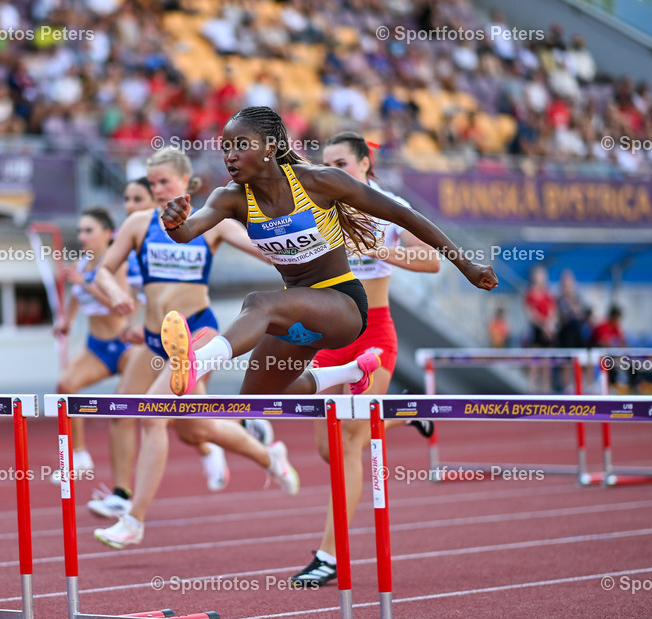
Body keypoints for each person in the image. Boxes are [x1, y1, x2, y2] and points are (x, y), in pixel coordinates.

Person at [157, 106, 496, 401]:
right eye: (225, 147)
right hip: (299, 311)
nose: (230, 155)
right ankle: (348, 373)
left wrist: (465, 264)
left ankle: (198, 362)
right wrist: (174, 222)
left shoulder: (319, 182)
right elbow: (188, 232)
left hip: (343, 306)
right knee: (255, 398)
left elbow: (404, 216)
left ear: (270, 148)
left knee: (258, 303)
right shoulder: (228, 198)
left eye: (241, 145)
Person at [91, 147, 299, 548]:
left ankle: (134, 520)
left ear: (186, 182)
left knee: (151, 417)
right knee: (194, 428)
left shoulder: (212, 223)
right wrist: (115, 293)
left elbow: (263, 249)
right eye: (152, 184)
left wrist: (300, 246)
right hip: (155, 343)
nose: (157, 190)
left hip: (195, 339)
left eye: (164, 182)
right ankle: (270, 455)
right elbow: (103, 271)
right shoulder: (138, 223)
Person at [285, 131, 440, 587]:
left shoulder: (389, 206)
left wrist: (377, 249)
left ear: (365, 166)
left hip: (374, 333)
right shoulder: (316, 206)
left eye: (342, 163)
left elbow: (431, 260)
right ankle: (408, 411)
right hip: (330, 335)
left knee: (351, 440)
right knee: (326, 448)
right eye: (326, 163)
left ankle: (329, 556)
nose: (332, 170)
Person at [53, 207, 139, 476]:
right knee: (65, 386)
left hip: (125, 347)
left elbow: (122, 308)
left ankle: (206, 444)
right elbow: (76, 296)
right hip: (96, 348)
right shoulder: (81, 264)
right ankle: (79, 455)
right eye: (79, 230)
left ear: (107, 234)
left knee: (157, 406)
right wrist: (66, 320)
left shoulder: (118, 265)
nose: (82, 236)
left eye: (88, 230)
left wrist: (87, 283)